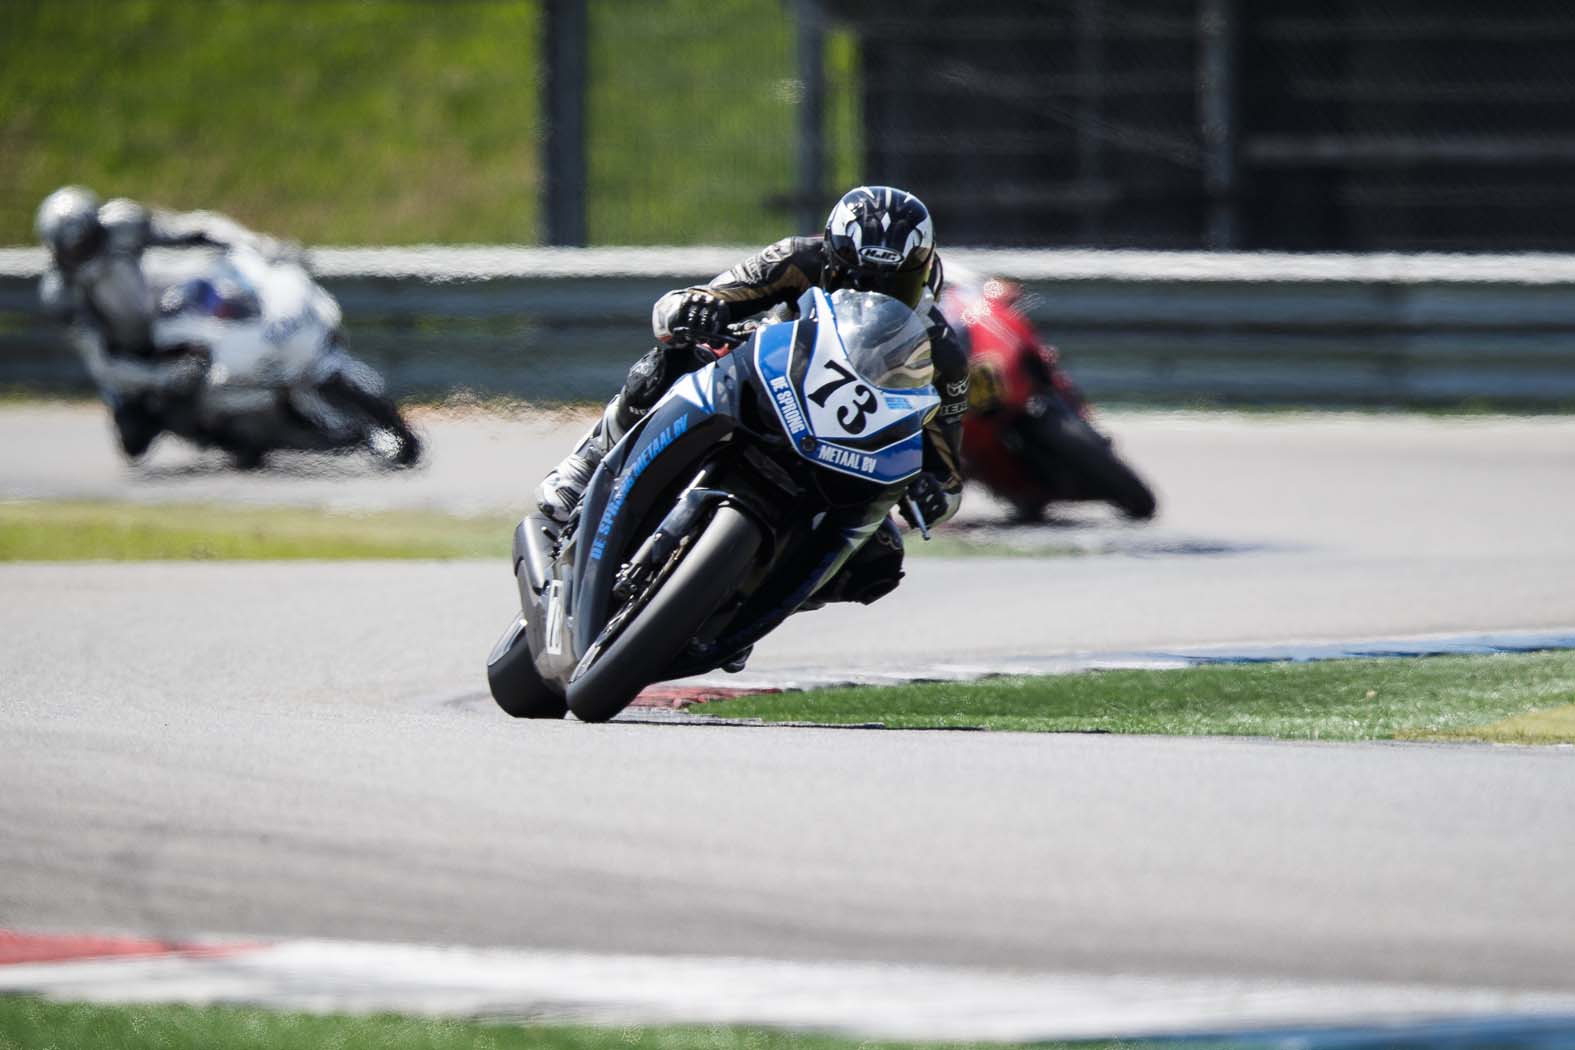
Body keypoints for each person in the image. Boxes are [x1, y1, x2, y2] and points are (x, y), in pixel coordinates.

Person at [535, 185, 969, 607]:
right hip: (769, 385)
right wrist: (696, 310)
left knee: (880, 562)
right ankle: (586, 465)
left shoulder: (943, 351)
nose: (872, 296)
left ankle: (751, 603)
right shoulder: (798, 259)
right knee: (677, 359)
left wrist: (932, 494)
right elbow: (691, 301)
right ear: (832, 259)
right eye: (858, 281)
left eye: (892, 286)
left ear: (923, 273)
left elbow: (948, 474)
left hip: (850, 451)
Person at [34, 185, 298, 458]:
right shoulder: (61, 293)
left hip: (166, 321)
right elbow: (103, 365)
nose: (84, 251)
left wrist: (257, 244)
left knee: (222, 314)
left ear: (97, 224)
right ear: (57, 252)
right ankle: (214, 434)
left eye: (86, 240)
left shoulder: (125, 223)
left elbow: (193, 229)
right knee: (134, 442)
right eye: (74, 249)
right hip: (130, 357)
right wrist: (163, 377)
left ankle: (274, 379)